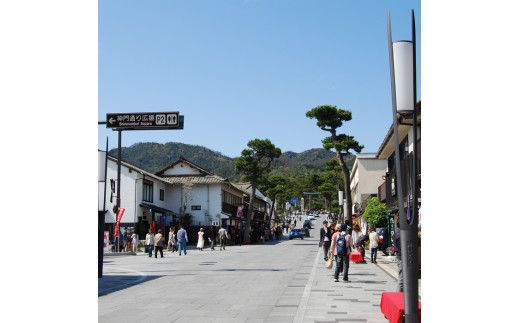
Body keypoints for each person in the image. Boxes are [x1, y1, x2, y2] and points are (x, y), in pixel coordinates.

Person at [392, 223, 403, 292]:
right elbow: (401, 247)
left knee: (402, 277)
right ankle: (397, 295)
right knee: (402, 278)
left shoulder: (396, 233)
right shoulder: (400, 234)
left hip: (399, 256)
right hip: (401, 257)